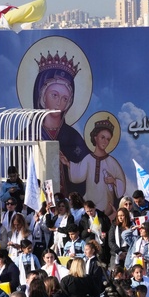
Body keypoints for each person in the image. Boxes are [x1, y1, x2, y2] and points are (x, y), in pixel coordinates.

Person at [35, 52, 89, 196]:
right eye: (54, 95)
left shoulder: (74, 138)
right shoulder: (27, 135)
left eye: (65, 98)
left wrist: (68, 165)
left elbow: (85, 174)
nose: (59, 103)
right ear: (42, 95)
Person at [63, 118, 126, 217]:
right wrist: (68, 164)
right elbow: (79, 175)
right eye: (102, 137)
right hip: (89, 203)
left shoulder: (112, 162)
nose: (105, 141)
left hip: (106, 207)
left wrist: (114, 181)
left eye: (108, 139)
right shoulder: (88, 159)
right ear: (95, 137)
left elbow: (121, 185)